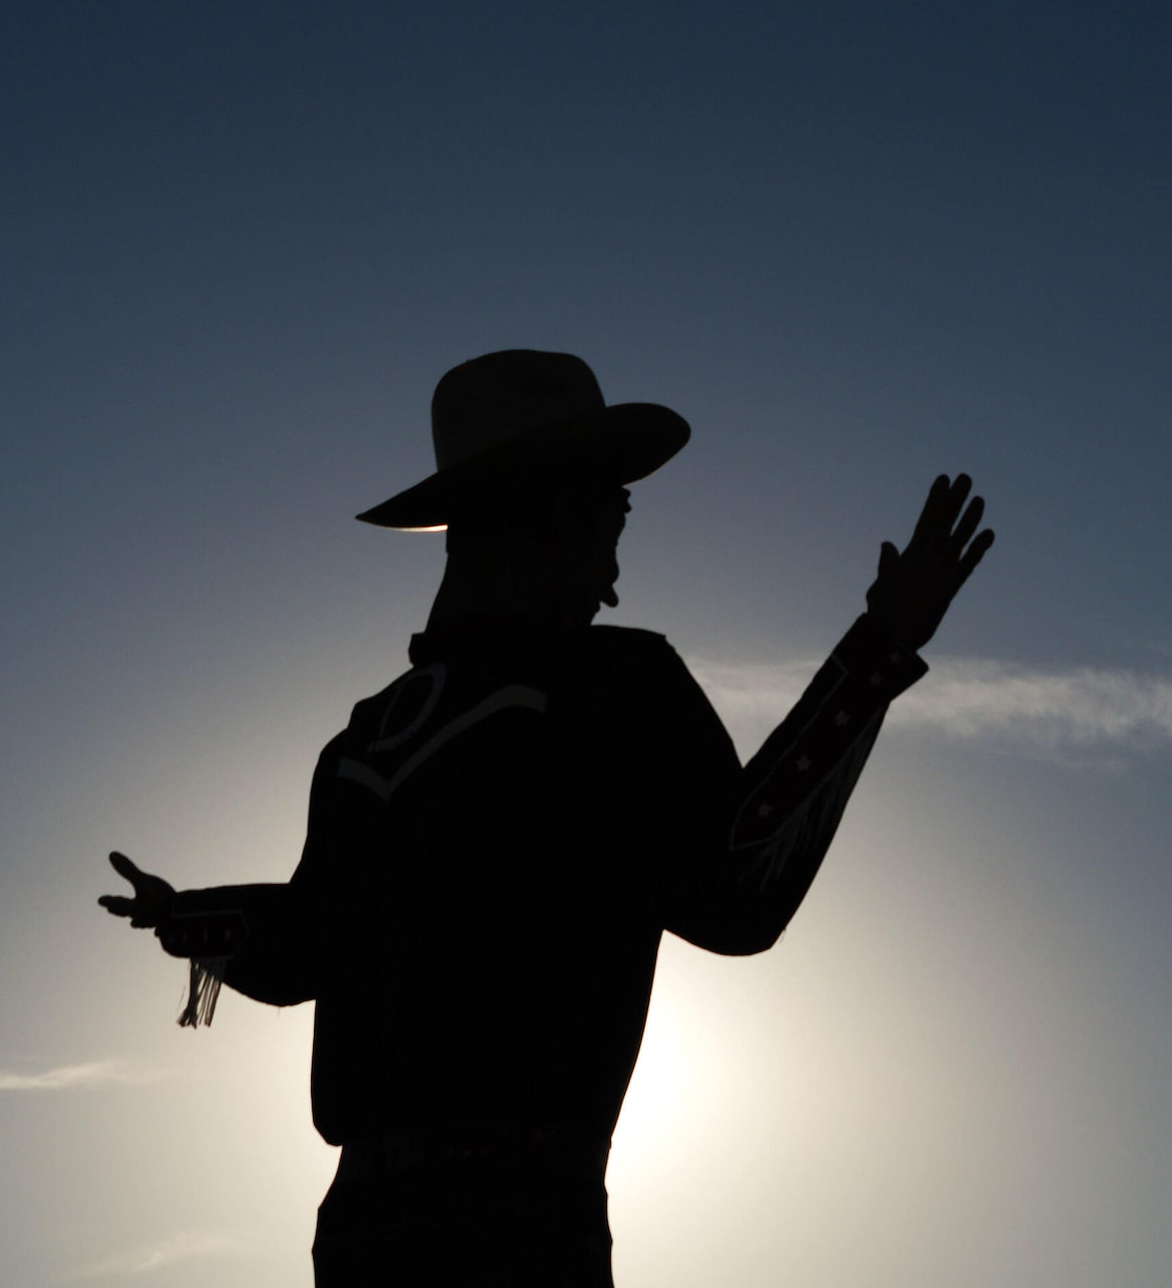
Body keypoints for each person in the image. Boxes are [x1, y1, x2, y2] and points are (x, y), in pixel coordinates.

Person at [98, 349, 992, 1286]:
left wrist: (191, 917)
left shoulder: (364, 742)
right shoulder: (613, 682)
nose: (615, 555)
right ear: (565, 511)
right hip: (522, 1225)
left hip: (359, 1233)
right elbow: (734, 893)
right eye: (612, 512)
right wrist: (879, 650)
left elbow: (303, 945)